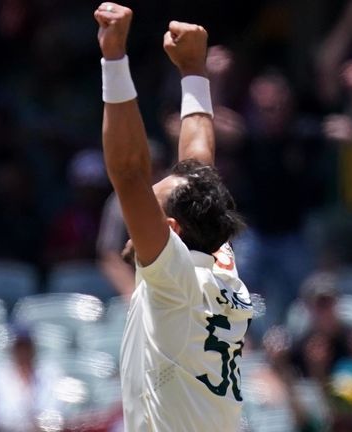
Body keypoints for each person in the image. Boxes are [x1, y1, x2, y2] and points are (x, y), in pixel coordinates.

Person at [94, 4, 253, 431]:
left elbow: (128, 172)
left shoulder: (176, 281)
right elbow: (197, 164)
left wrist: (114, 59)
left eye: (152, 199)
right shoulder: (219, 262)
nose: (138, 205)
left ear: (169, 231)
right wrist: (194, 72)